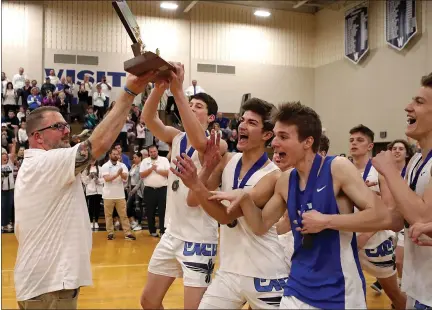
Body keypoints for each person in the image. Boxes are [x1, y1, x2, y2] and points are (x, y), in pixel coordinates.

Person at [176, 102, 401, 309]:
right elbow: (261, 225)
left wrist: (327, 221)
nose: (274, 143)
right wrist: (244, 199)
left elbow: (384, 218)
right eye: (274, 136)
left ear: (307, 142)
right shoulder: (286, 179)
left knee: (397, 294)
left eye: (283, 137)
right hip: (297, 285)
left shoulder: (337, 168)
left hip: (339, 288)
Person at [13, 70, 157, 309]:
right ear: (37, 136)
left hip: (50, 284)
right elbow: (97, 145)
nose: (67, 130)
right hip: (49, 288)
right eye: (58, 126)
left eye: (66, 124)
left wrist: (129, 99)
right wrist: (129, 92)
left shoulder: (43, 163)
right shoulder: (42, 163)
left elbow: (104, 139)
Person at [172, 98, 289, 309]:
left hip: (265, 273)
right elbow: (192, 200)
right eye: (242, 120)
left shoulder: (273, 176)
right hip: (229, 271)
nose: (242, 125)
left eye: (252, 123)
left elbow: (227, 215)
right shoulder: (227, 161)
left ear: (267, 135)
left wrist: (196, 184)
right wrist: (204, 171)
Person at [140, 63, 226, 310]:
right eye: (190, 104)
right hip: (173, 233)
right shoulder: (176, 137)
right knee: (148, 300)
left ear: (211, 118)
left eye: (198, 106)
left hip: (199, 237)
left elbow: (199, 142)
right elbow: (148, 118)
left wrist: (178, 91)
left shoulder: (214, 144)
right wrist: (160, 87)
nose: (191, 107)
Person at [372, 72, 432, 309]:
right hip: (417, 284)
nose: (408, 107)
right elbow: (397, 219)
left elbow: (421, 218)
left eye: (419, 102)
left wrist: (390, 172)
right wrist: (333, 222)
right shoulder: (416, 160)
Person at [348, 125, 405, 308]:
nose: (354, 143)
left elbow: (388, 208)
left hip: (375, 241)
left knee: (394, 294)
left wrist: (366, 235)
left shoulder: (378, 171)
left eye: (359, 140)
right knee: (352, 292)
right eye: (351, 140)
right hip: (349, 240)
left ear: (370, 145)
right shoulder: (344, 169)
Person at [387, 139, 414, 284]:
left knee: (399, 259)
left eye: (401, 149)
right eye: (394, 148)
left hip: (407, 219)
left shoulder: (410, 170)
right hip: (391, 219)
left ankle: (402, 286)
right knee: (395, 260)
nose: (397, 151)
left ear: (406, 153)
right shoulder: (383, 172)